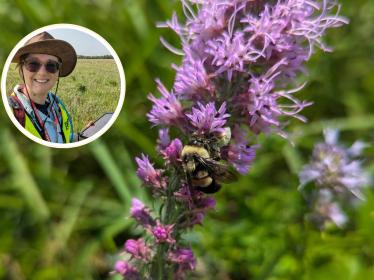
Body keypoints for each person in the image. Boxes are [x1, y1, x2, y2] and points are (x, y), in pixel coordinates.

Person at [8, 31, 77, 143]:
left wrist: (80, 136)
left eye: (51, 66)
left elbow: (61, 138)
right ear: (21, 68)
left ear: (58, 73)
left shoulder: (58, 106)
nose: (42, 73)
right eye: (33, 64)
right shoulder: (11, 112)